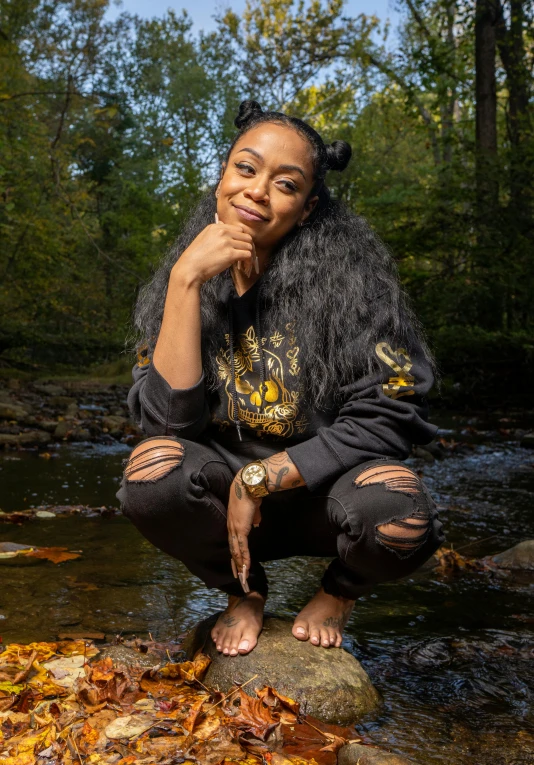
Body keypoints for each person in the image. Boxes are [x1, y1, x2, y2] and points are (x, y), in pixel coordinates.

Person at [116, 99, 445, 659]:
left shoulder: (355, 289)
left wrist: (262, 478)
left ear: (309, 207)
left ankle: (340, 592)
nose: (256, 192)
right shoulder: (181, 281)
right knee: (151, 476)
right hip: (223, 508)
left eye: (285, 184)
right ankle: (244, 591)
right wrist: (185, 284)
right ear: (222, 175)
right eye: (245, 168)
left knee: (403, 512)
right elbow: (167, 424)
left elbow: (393, 413)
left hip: (324, 498)